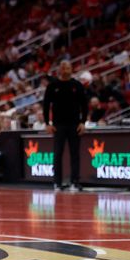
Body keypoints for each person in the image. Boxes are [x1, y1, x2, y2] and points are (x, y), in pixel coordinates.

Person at [43, 60, 88, 191]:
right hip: (58, 125)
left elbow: (84, 105)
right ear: (59, 70)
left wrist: (83, 122)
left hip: (74, 124)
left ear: (71, 69)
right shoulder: (52, 86)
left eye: (67, 67)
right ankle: (57, 182)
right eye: (63, 67)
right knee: (57, 154)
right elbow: (46, 105)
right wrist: (47, 123)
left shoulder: (77, 85)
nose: (65, 70)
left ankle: (75, 182)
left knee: (75, 154)